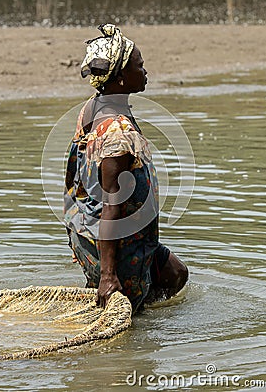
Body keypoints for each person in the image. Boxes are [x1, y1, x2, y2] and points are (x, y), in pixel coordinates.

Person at [64, 23, 188, 313]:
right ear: (120, 78)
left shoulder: (95, 107)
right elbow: (111, 204)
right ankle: (117, 298)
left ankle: (132, 308)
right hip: (117, 242)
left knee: (175, 273)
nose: (145, 72)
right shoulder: (116, 133)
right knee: (125, 309)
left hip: (114, 233)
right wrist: (109, 274)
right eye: (139, 67)